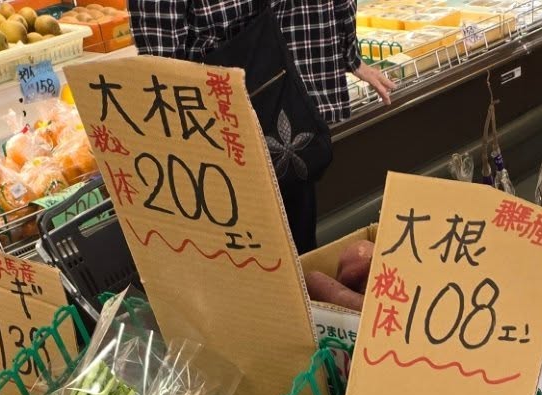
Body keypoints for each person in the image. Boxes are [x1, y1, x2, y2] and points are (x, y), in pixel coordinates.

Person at [129, 1, 393, 248]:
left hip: (224, 124)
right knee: (295, 245)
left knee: (248, 254)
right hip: (288, 109)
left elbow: (159, 68)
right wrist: (349, 53)